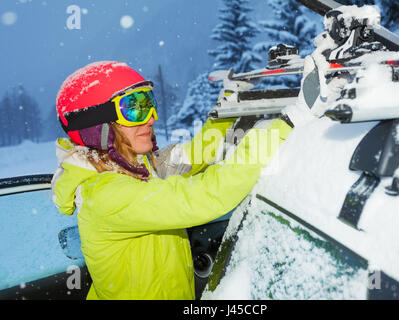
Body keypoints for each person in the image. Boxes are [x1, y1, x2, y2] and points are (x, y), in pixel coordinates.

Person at [52, 61, 292, 300]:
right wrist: (283, 126)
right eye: (135, 109)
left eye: (149, 104)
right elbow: (204, 196)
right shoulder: (105, 195)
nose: (150, 118)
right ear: (98, 125)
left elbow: (195, 154)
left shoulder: (138, 166)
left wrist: (229, 102)